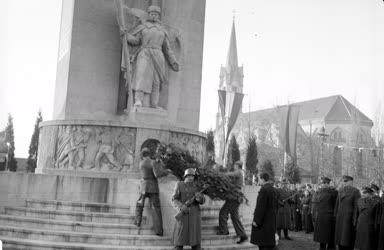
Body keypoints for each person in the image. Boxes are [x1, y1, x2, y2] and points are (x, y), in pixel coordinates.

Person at [125, 5, 179, 109]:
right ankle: (138, 100)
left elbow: (167, 48)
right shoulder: (143, 27)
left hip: (158, 55)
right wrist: (126, 36)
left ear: (158, 16)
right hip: (145, 53)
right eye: (152, 14)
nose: (154, 16)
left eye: (156, 14)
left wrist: (173, 61)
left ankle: (154, 103)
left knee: (156, 81)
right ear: (149, 15)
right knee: (141, 76)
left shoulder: (162, 31)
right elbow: (136, 41)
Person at [134, 147, 169, 236]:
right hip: (152, 187)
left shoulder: (141, 163)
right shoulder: (152, 162)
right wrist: (166, 172)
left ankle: (137, 221)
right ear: (149, 154)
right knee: (155, 208)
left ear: (142, 154)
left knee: (139, 204)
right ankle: (158, 231)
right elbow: (157, 174)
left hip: (143, 186)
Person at [172, 168, 205, 250]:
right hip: (183, 213)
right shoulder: (179, 184)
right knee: (179, 237)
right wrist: (181, 206)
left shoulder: (197, 186)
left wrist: (199, 198)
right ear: (185, 176)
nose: (191, 178)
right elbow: (174, 199)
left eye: (192, 176)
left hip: (194, 214)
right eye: (189, 176)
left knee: (195, 238)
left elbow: (203, 200)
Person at [216, 161, 248, 244]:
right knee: (234, 217)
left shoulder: (238, 172)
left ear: (237, 166)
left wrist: (221, 174)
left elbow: (231, 174)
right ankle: (242, 235)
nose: (234, 166)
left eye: (235, 165)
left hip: (233, 197)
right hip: (235, 197)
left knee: (223, 213)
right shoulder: (240, 173)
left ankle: (224, 231)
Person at [250, 172, 278, 250]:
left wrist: (256, 220)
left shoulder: (264, 190)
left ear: (262, 179)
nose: (258, 180)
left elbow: (260, 207)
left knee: (263, 244)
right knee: (269, 244)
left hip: (264, 222)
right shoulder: (273, 189)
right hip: (271, 220)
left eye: (259, 178)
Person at [334, 175, 361, 250]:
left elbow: (356, 207)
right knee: (340, 239)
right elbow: (337, 204)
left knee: (347, 239)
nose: (344, 183)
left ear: (351, 182)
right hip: (340, 217)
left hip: (349, 218)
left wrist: (355, 220)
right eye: (344, 181)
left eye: (346, 181)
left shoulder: (355, 191)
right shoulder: (340, 190)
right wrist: (335, 215)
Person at [312, 177, 338, 250]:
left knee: (329, 235)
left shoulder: (333, 192)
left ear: (327, 183)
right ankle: (322, 247)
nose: (321, 184)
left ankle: (331, 247)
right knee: (321, 236)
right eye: (321, 183)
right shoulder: (319, 191)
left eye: (323, 183)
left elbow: (335, 205)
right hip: (320, 216)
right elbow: (316, 202)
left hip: (329, 216)